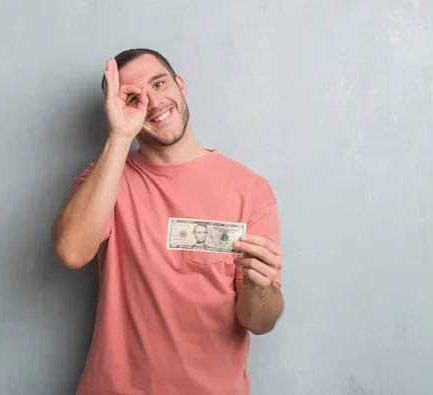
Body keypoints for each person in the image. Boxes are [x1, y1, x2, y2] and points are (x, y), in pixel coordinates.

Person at [51, 48, 284, 395]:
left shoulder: (249, 190)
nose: (154, 102)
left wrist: (259, 288)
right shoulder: (104, 179)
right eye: (133, 97)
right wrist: (119, 136)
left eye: (159, 84)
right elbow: (70, 252)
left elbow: (260, 321)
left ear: (180, 85)